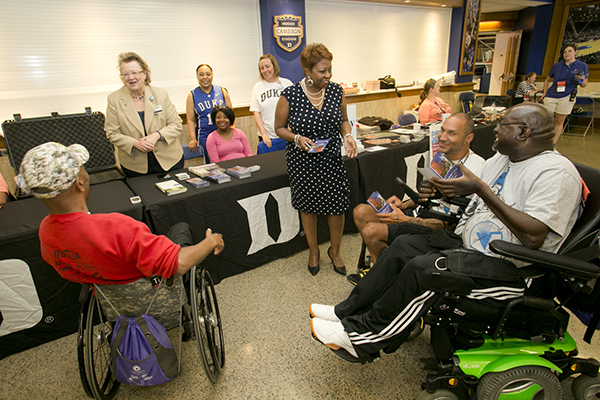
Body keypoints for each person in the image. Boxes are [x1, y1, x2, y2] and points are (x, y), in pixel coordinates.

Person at [309, 103, 583, 362]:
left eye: (503, 124)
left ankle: (361, 338)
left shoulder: (555, 172)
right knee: (403, 246)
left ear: (524, 132)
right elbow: (475, 200)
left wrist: (480, 188)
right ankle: (346, 312)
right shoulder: (502, 160)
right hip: (470, 245)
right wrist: (438, 194)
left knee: (425, 268)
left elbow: (534, 238)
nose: (496, 128)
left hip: (514, 269)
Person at [18, 142, 224, 284]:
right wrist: (211, 241)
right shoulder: (116, 227)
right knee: (181, 229)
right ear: (80, 183)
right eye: (83, 169)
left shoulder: (45, 232)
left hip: (108, 294)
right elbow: (179, 263)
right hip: (149, 288)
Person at [352, 113, 485, 270]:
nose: (442, 137)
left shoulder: (475, 170)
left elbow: (452, 224)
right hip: (420, 213)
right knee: (361, 211)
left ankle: (382, 271)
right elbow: (428, 197)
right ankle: (382, 268)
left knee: (371, 231)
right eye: (442, 130)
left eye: (452, 133)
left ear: (468, 138)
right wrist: (404, 205)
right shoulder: (442, 158)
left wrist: (404, 220)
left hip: (440, 228)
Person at [274, 43, 358, 276]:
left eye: (330, 69)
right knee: (308, 208)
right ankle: (313, 251)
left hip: (331, 158)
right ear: (307, 71)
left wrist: (348, 135)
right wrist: (297, 137)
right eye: (322, 71)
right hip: (302, 161)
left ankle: (336, 251)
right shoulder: (290, 95)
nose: (328, 75)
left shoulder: (335, 91)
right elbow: (278, 128)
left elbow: (343, 120)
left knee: (337, 207)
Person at [105, 52, 184, 177]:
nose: (130, 77)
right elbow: (112, 133)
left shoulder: (160, 94)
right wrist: (134, 143)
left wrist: (157, 135)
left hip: (169, 161)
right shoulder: (114, 99)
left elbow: (176, 124)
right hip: (135, 165)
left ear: (145, 73)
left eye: (134, 72)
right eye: (125, 74)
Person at [186, 64, 233, 163]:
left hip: (223, 133)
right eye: (201, 74)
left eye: (208, 74)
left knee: (227, 159)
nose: (205, 77)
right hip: (204, 136)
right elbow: (190, 119)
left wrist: (232, 132)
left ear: (212, 75)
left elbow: (231, 114)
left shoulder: (222, 91)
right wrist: (193, 139)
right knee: (210, 164)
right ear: (197, 77)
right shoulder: (192, 95)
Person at [543, 43, 589, 144]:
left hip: (567, 96)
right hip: (551, 95)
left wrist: (581, 80)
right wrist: (545, 92)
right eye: (564, 52)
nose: (566, 54)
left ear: (576, 52)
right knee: (546, 120)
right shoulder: (557, 66)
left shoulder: (582, 66)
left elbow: (584, 84)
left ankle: (552, 144)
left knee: (559, 121)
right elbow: (548, 79)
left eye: (569, 51)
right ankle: (543, 141)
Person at [250, 55, 293, 154]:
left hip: (286, 133)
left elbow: (295, 108)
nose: (265, 70)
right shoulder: (257, 87)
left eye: (267, 66)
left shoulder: (287, 84)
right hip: (267, 136)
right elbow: (256, 112)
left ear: (274, 66)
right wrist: (264, 134)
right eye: (262, 68)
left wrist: (291, 127)